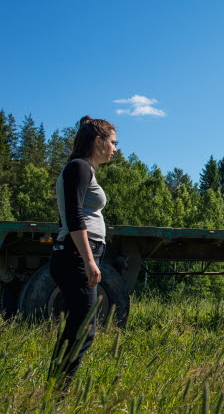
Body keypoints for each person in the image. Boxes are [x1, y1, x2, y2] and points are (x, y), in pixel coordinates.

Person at [48, 116, 117, 389]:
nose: (115, 148)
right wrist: (89, 261)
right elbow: (74, 216)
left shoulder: (84, 168)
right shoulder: (79, 167)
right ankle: (57, 392)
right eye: (112, 142)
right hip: (75, 255)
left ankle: (55, 390)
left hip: (77, 253)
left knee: (79, 325)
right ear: (98, 141)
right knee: (83, 328)